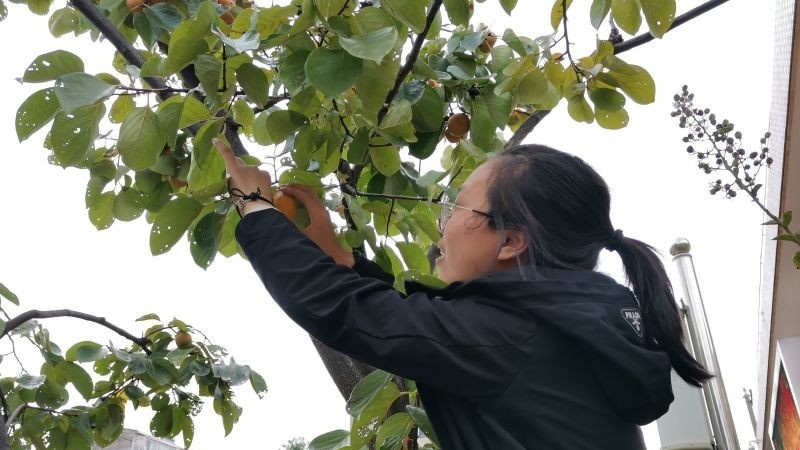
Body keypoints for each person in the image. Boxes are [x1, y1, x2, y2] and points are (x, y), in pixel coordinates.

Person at [214, 139, 712, 450]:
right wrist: (344, 261)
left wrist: (255, 207)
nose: (443, 224)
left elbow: (344, 310)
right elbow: (425, 323)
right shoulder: (562, 327)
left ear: (511, 241)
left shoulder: (512, 339)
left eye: (457, 208)